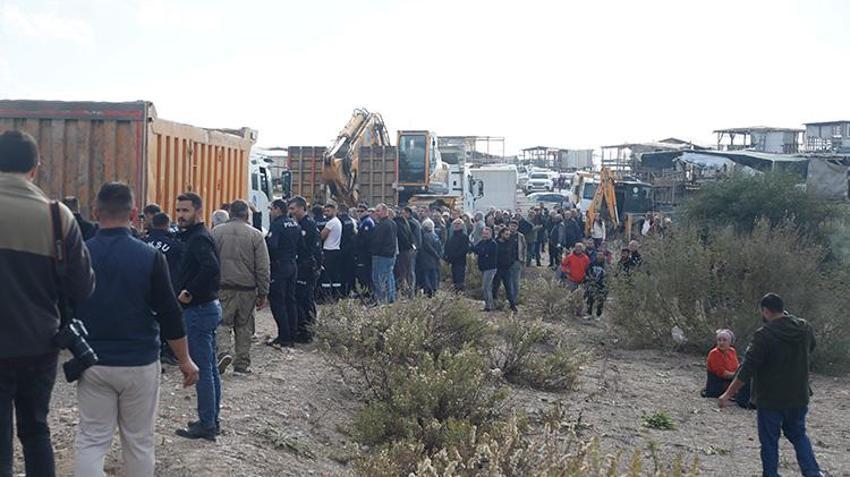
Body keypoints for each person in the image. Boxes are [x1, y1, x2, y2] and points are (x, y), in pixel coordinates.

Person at [73, 182, 199, 476]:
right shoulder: (149, 256)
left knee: (91, 440)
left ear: (95, 212)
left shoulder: (80, 254)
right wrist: (184, 360)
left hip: (92, 360)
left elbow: (62, 305)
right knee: (139, 442)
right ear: (133, 214)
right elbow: (169, 313)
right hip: (139, 361)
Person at [0, 130, 95, 477]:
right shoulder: (58, 217)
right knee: (36, 430)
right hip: (39, 347)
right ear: (35, 168)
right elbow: (83, 287)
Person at [719, 293, 821, 477]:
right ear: (782, 308)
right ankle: (812, 472)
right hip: (799, 395)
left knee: (769, 442)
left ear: (765, 311)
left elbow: (747, 369)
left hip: (771, 399)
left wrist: (727, 394)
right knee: (798, 435)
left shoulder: (764, 335)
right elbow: (811, 347)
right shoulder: (804, 328)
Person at [173, 192, 223, 441]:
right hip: (207, 308)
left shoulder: (198, 239)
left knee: (203, 369)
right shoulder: (196, 236)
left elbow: (211, 268)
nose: (181, 215)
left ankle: (207, 424)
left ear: (198, 211)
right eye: (179, 210)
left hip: (199, 311)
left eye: (186, 211)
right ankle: (211, 419)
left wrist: (188, 292)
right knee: (211, 368)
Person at [211, 200, 270, 374]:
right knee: (244, 326)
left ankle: (223, 353)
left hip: (223, 286)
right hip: (247, 288)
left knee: (222, 323)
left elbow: (210, 261)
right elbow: (263, 266)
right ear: (247, 214)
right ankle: (242, 364)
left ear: (230, 213)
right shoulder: (256, 235)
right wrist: (263, 291)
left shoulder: (216, 232)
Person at [142, 212, 184, 366]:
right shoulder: (176, 245)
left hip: (145, 288)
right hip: (170, 286)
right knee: (169, 318)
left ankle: (154, 349)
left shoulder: (141, 242)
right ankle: (168, 351)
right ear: (167, 224)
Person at [266, 199, 302, 348]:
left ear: (277, 209)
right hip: (293, 264)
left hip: (280, 267)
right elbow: (301, 245)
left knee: (277, 302)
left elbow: (271, 245)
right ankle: (292, 334)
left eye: (271, 209)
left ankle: (284, 337)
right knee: (290, 300)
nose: (270, 212)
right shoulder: (295, 224)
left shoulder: (277, 224)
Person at [288, 196, 322, 343]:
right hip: (305, 266)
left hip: (306, 267)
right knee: (304, 299)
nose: (291, 211)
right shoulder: (301, 223)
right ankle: (305, 329)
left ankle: (306, 331)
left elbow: (306, 249)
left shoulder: (307, 225)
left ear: (302, 208)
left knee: (304, 300)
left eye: (293, 208)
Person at [370, 203, 398, 304]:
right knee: (389, 277)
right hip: (391, 255)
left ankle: (381, 300)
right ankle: (390, 298)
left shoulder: (382, 225)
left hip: (381, 256)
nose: (376, 213)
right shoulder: (393, 223)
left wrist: (373, 251)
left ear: (385, 211)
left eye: (378, 211)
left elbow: (377, 241)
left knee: (379, 278)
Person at [701, 329, 739, 398]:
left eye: (724, 340)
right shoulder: (714, 353)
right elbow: (723, 374)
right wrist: (739, 376)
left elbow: (736, 367)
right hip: (717, 386)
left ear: (730, 342)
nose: (721, 343)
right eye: (719, 340)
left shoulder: (732, 351)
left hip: (730, 381)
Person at [320, 203, 343, 301]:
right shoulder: (338, 222)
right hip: (336, 250)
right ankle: (336, 295)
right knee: (335, 274)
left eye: (328, 211)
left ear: (334, 210)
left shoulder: (331, 223)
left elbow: (322, 236)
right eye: (325, 211)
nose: (325, 213)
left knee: (326, 274)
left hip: (329, 250)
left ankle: (326, 296)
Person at [492, 227, 518, 312]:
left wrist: (511, 262)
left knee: (509, 287)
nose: (508, 236)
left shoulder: (510, 243)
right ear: (501, 234)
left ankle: (512, 305)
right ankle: (493, 303)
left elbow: (513, 254)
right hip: (498, 268)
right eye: (506, 234)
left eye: (509, 234)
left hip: (507, 269)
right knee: (495, 286)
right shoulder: (495, 243)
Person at [474, 227, 498, 312]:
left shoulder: (493, 244)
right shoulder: (482, 242)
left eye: (486, 234)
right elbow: (476, 249)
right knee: (486, 287)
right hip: (483, 267)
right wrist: (481, 251)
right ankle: (488, 305)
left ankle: (489, 306)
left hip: (490, 268)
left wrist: (482, 251)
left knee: (486, 287)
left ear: (490, 234)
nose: (484, 235)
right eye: (484, 233)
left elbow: (484, 252)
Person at [393, 209, 415, 298]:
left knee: (401, 273)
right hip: (408, 251)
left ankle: (403, 293)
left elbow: (402, 238)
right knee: (408, 272)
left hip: (401, 252)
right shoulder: (407, 224)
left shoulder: (397, 224)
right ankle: (409, 292)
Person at [417, 219, 442, 297]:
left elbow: (427, 247)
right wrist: (438, 256)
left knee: (426, 275)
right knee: (433, 275)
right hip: (434, 260)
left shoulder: (424, 236)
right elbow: (439, 247)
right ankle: (434, 289)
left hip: (426, 259)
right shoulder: (435, 235)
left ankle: (428, 291)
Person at [337, 204, 358, 298]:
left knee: (342, 272)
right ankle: (350, 290)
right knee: (350, 271)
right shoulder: (352, 220)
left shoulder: (339, 220)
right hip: (351, 249)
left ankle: (342, 292)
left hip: (342, 248)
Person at [354, 207, 375, 296]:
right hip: (362, 253)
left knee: (365, 273)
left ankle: (367, 292)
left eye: (361, 211)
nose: (359, 213)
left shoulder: (367, 222)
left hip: (365, 253)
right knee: (362, 273)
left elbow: (366, 239)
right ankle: (365, 291)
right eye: (358, 211)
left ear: (366, 211)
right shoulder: (362, 221)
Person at [444, 218, 470, 291]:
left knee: (460, 281)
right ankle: (456, 296)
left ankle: (460, 297)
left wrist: (454, 256)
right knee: (455, 280)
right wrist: (447, 257)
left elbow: (464, 250)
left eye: (458, 224)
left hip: (460, 262)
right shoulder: (451, 236)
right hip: (453, 262)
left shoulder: (464, 236)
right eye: (455, 224)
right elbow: (448, 247)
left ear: (462, 226)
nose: (456, 225)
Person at [584, 253, 608, 318]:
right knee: (590, 298)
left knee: (600, 300)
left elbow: (608, 275)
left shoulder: (606, 265)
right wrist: (589, 279)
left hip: (602, 285)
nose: (600, 256)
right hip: (592, 283)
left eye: (601, 255)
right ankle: (589, 313)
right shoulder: (592, 263)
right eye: (598, 254)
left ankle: (598, 315)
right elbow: (587, 271)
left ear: (604, 256)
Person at [508, 221, 525, 306]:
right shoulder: (506, 235)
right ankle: (509, 298)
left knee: (516, 281)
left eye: (514, 226)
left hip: (517, 261)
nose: (513, 228)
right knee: (508, 281)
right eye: (511, 226)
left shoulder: (520, 236)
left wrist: (523, 260)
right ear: (509, 226)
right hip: (507, 262)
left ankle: (514, 300)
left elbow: (524, 248)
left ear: (517, 227)